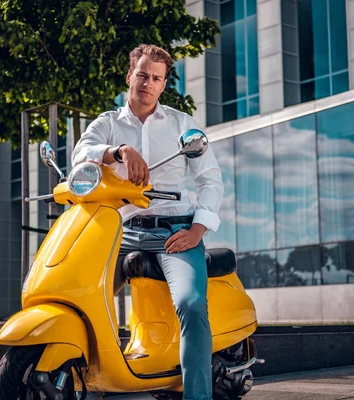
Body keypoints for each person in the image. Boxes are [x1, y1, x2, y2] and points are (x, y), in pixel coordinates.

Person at [72, 44, 223, 400]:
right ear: (130, 76)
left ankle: (198, 397)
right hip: (121, 231)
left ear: (163, 84)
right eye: (142, 75)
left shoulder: (181, 123)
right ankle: (93, 381)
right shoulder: (108, 123)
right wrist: (119, 151)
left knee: (190, 302)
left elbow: (210, 180)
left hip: (175, 231)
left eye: (156, 78)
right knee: (81, 295)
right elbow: (80, 153)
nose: (148, 83)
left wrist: (197, 230)